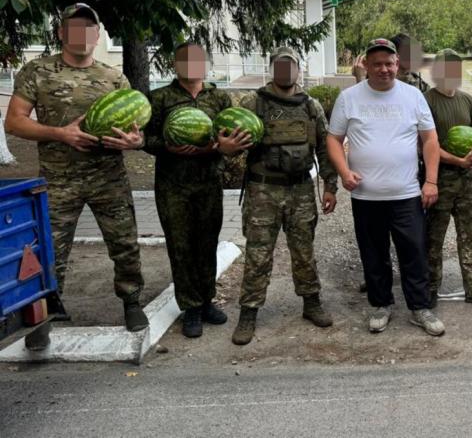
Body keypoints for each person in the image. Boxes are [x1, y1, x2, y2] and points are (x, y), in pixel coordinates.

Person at [6, 4, 147, 350]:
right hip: (58, 179)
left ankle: (131, 302)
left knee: (125, 245)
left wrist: (135, 142)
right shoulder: (38, 71)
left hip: (108, 178)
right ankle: (42, 317)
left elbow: (136, 129)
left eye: (89, 28)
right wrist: (60, 133)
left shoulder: (114, 77)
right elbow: (14, 122)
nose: (82, 34)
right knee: (50, 250)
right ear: (61, 33)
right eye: (74, 27)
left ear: (97, 35)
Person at [327, 38, 446, 336]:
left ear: (397, 64)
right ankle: (381, 305)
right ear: (366, 65)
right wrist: (343, 172)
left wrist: (431, 181)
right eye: (377, 64)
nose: (384, 69)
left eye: (389, 63)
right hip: (365, 195)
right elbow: (333, 139)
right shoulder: (349, 98)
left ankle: (419, 308)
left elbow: (430, 140)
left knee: (414, 251)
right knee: (373, 252)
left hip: (406, 193)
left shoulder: (413, 96)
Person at [144, 43, 253, 338]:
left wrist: (223, 148)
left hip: (209, 182)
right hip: (172, 185)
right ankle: (190, 306)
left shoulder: (219, 98)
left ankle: (206, 301)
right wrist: (167, 147)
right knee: (181, 246)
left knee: (207, 243)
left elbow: (232, 137)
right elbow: (145, 139)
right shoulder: (159, 98)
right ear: (175, 64)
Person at [232, 47, 338, 345]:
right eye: (280, 65)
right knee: (258, 253)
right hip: (262, 190)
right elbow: (232, 141)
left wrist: (330, 186)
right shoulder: (254, 103)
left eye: (291, 66)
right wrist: (228, 147)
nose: (286, 71)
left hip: (300, 189)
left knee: (304, 251)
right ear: (272, 68)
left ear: (298, 70)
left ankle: (311, 302)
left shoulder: (311, 106)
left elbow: (325, 147)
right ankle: (248, 312)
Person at [424, 49, 472, 307]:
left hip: (468, 181)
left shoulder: (468, 100)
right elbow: (424, 144)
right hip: (439, 178)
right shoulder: (425, 100)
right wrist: (457, 160)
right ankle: (430, 288)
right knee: (433, 237)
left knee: (470, 235)